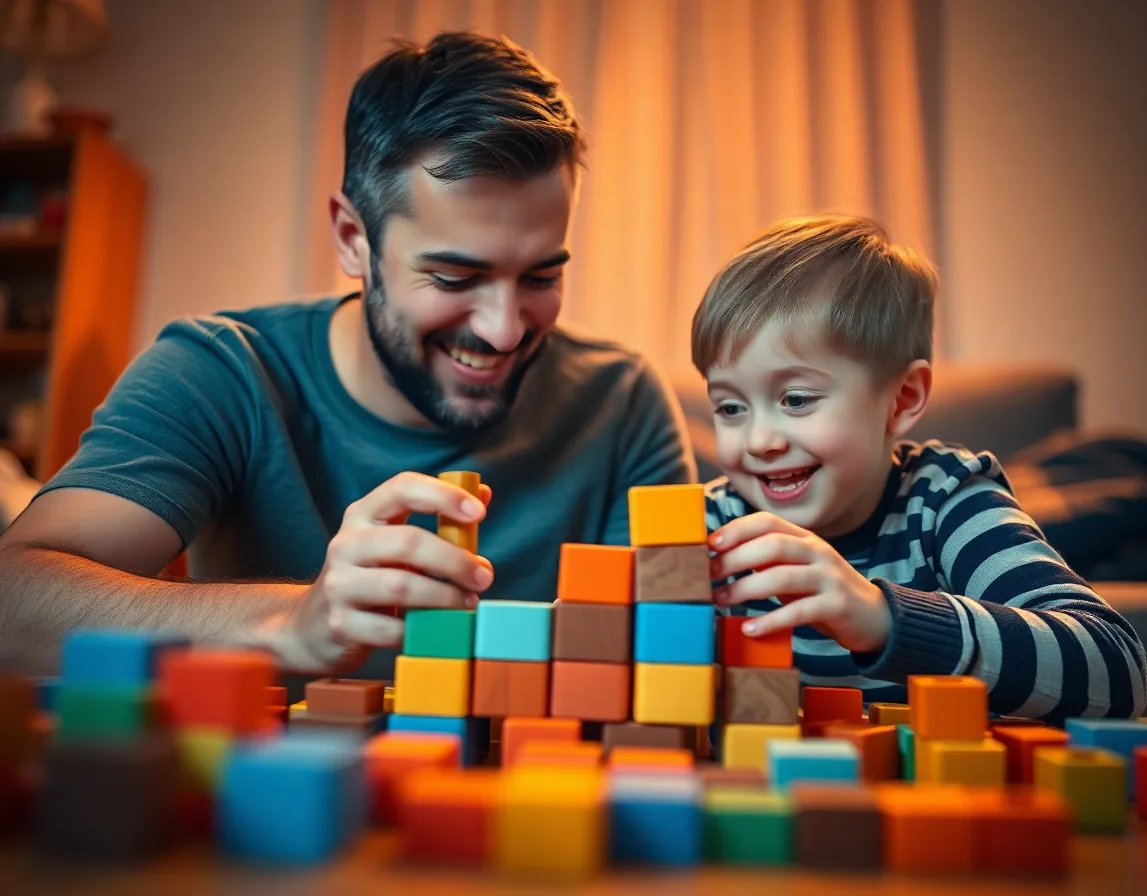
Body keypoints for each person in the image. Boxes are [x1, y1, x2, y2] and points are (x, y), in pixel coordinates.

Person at [0, 32, 694, 677]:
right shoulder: (223, 372)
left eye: (542, 276)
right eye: (454, 278)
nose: (506, 329)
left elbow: (675, 650)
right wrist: (289, 621)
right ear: (352, 237)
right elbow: (13, 598)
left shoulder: (623, 401)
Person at [695, 214, 1147, 720]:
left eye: (797, 399)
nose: (759, 441)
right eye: (730, 408)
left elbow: (1120, 672)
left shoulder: (946, 502)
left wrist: (885, 620)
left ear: (902, 399)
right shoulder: (712, 524)